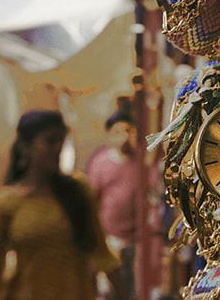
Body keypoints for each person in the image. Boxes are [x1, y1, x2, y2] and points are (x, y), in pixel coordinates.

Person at [0, 110, 121, 300]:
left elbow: (101, 252)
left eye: (61, 141)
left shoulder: (77, 191)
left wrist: (126, 292)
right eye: (50, 141)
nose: (58, 148)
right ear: (26, 147)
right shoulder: (2, 204)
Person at [86, 109, 140, 299]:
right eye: (118, 132)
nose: (124, 137)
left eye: (128, 130)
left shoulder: (140, 163)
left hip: (134, 238)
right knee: (108, 289)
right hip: (110, 237)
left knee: (130, 287)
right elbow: (92, 201)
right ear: (109, 135)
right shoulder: (101, 163)